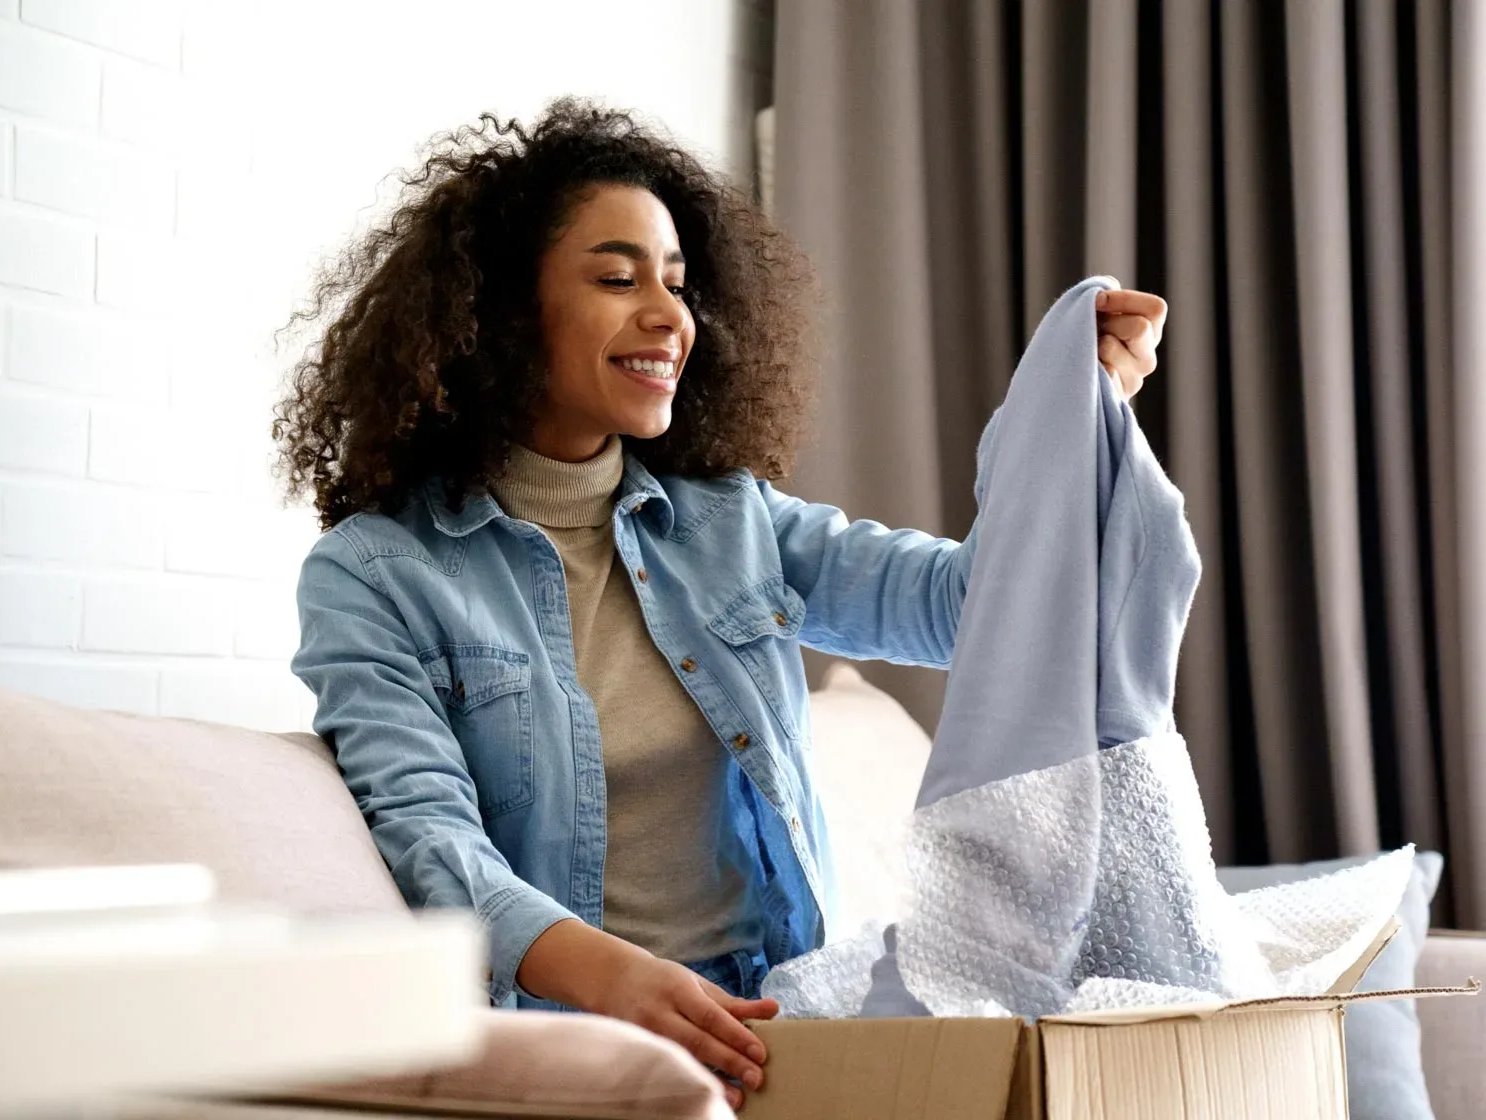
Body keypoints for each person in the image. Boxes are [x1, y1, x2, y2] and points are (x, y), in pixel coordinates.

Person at [274, 99, 1167, 1110]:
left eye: (679, 284)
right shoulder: (376, 574)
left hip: (787, 1027)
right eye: (618, 279)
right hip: (579, 1054)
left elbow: (970, 609)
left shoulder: (729, 523)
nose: (669, 316)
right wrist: (616, 977)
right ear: (501, 313)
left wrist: (1058, 420)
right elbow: (430, 840)